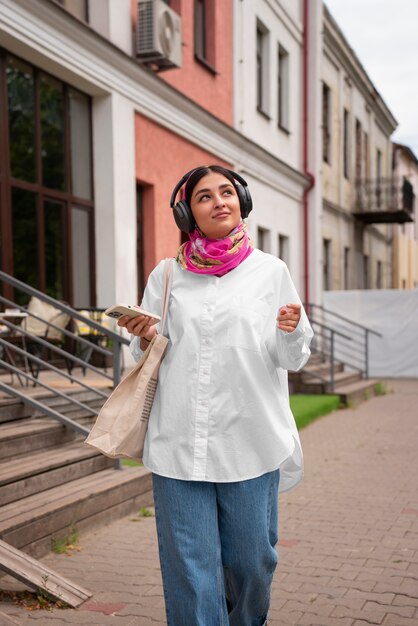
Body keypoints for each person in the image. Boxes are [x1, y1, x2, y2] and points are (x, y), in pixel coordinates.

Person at [118, 165, 313, 626]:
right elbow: (146, 352)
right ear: (188, 213)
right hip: (178, 443)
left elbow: (293, 355)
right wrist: (144, 334)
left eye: (227, 192)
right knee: (191, 572)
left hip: (249, 441)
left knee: (252, 564)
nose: (219, 201)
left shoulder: (270, 271)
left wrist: (289, 330)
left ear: (241, 201)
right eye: (204, 197)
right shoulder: (166, 276)